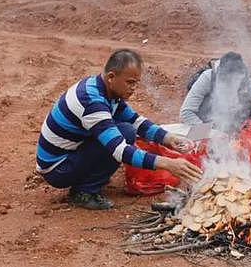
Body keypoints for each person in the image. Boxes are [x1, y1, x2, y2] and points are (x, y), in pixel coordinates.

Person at [36, 49, 202, 210]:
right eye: (130, 82)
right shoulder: (92, 102)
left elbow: (136, 121)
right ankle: (83, 192)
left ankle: (89, 179)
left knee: (126, 129)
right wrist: (168, 164)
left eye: (136, 83)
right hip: (57, 169)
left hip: (68, 156)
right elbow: (120, 151)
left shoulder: (104, 90)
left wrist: (169, 138)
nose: (133, 88)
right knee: (123, 135)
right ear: (111, 77)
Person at [180, 51, 251, 135]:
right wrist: (210, 133)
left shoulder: (245, 80)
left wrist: (249, 129)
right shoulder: (208, 77)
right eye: (227, 81)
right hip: (206, 128)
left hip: (236, 132)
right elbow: (186, 112)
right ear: (220, 73)